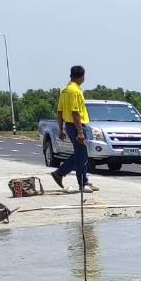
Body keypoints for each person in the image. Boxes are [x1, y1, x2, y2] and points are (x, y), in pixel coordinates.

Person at [51, 64, 97, 193]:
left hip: (69, 126)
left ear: (71, 75)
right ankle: (80, 182)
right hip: (77, 126)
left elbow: (59, 112)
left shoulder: (64, 90)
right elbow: (75, 112)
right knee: (82, 156)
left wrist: (61, 128)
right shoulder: (75, 91)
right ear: (82, 76)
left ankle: (79, 179)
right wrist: (80, 132)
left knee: (80, 155)